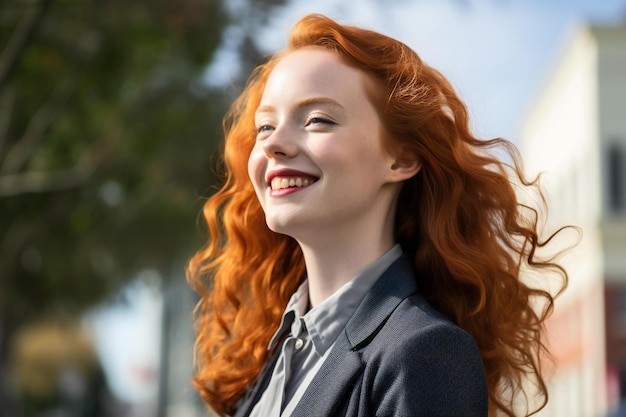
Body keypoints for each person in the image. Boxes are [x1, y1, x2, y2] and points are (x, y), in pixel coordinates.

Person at [187, 14, 570, 417]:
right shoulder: (273, 350)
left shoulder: (425, 353)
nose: (274, 144)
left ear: (402, 158)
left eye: (317, 119)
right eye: (265, 126)